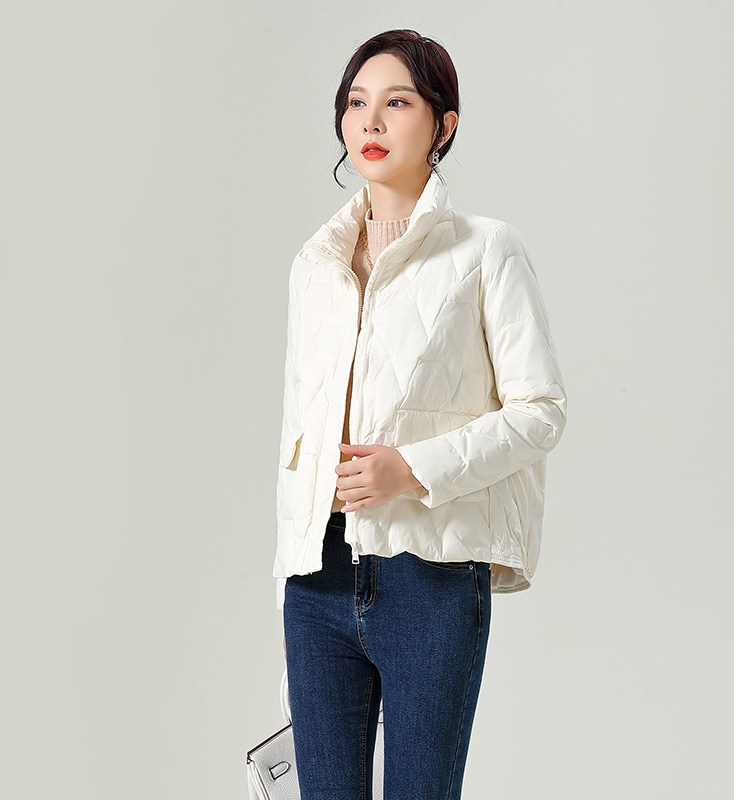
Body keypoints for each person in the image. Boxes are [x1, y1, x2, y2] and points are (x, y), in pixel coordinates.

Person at [273, 29, 567, 800]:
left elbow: (540, 412)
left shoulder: (488, 251)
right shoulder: (314, 266)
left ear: (444, 125)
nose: (370, 122)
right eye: (356, 103)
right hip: (317, 581)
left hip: (430, 581)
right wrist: (289, 580)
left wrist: (410, 469)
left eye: (397, 102)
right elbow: (298, 435)